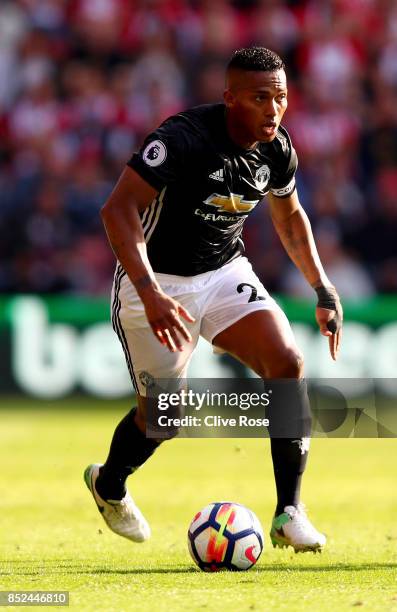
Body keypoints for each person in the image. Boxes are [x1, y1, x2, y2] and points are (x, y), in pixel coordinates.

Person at [84, 47, 342, 553]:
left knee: (287, 362)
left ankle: (290, 510)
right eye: (260, 97)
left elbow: (289, 219)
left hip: (224, 272)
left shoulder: (277, 148)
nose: (273, 109)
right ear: (230, 99)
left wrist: (322, 286)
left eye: (282, 97)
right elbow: (117, 211)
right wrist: (150, 291)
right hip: (156, 283)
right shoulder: (181, 139)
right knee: (163, 420)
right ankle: (108, 483)